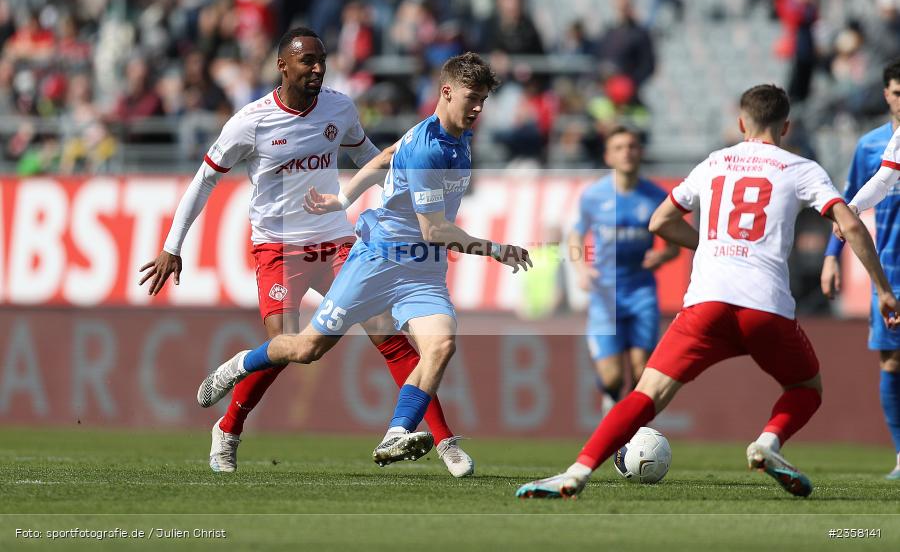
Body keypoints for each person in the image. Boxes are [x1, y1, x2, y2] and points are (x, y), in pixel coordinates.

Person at [516, 84, 898, 499]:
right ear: (786, 125)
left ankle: (577, 472)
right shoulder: (801, 168)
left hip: (707, 303)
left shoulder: (714, 162)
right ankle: (768, 443)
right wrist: (882, 289)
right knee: (806, 389)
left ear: (740, 123)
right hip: (765, 306)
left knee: (648, 393)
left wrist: (709, 245)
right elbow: (853, 225)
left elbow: (660, 222)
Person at [139, 27, 474, 478]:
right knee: (291, 348)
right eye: (307, 61)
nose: (318, 68)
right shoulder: (250, 122)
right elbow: (204, 180)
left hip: (337, 242)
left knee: (390, 339)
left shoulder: (339, 107)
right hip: (278, 247)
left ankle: (445, 441)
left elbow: (368, 158)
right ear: (283, 66)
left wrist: (414, 193)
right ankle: (228, 427)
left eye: (322, 60)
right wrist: (171, 246)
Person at [195, 52, 532, 468]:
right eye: (472, 98)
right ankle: (240, 364)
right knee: (306, 349)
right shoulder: (428, 149)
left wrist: (342, 197)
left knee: (440, 345)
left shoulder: (454, 135)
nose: (479, 108)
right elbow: (434, 230)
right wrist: (496, 250)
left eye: (483, 99)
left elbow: (385, 156)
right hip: (376, 262)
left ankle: (397, 434)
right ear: (447, 92)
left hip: (422, 272)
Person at [823, 60, 900, 479]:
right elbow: (879, 182)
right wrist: (847, 215)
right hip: (889, 266)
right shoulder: (879, 144)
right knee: (892, 362)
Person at [570, 126, 679, 408]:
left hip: (641, 290)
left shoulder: (656, 197)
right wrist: (582, 270)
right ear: (608, 156)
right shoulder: (594, 195)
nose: (626, 153)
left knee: (643, 370)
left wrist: (663, 256)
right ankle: (611, 400)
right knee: (612, 377)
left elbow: (674, 245)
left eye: (631, 146)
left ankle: (631, 432)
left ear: (640, 152)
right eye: (619, 148)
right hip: (605, 292)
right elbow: (575, 235)